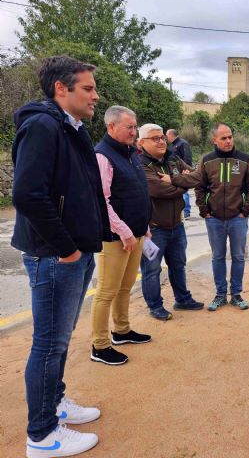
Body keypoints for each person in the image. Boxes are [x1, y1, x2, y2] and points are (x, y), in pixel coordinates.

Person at [12, 55, 109, 457]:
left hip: (74, 252)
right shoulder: (42, 126)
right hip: (56, 256)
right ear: (60, 88)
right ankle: (42, 435)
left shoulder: (69, 128)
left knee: (60, 340)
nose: (95, 96)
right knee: (49, 344)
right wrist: (67, 248)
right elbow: (28, 195)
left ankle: (55, 403)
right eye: (87, 88)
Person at [90, 106, 152, 366]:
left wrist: (143, 226)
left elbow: (136, 192)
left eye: (135, 127)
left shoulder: (131, 154)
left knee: (125, 287)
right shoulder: (103, 156)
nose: (133, 131)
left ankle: (122, 331)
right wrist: (125, 232)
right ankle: (100, 345)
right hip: (115, 237)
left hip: (136, 234)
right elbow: (102, 201)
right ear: (111, 127)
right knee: (106, 291)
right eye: (129, 127)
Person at [138, 123, 204, 320]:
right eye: (154, 138)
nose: (160, 141)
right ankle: (155, 306)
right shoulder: (140, 164)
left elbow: (197, 176)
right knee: (151, 270)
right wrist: (183, 186)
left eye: (162, 137)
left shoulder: (173, 160)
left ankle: (182, 299)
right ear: (141, 143)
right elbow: (157, 190)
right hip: (154, 229)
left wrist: (173, 180)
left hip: (177, 225)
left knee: (178, 264)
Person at [194, 123, 249, 311]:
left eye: (230, 136)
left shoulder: (245, 159)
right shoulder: (206, 160)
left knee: (238, 256)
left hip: (238, 218)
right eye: (223, 138)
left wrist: (245, 211)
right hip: (214, 219)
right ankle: (220, 294)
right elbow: (199, 186)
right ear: (214, 140)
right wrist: (204, 210)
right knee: (217, 257)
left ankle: (237, 294)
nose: (228, 140)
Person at [167, 129, 193, 219]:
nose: (166, 138)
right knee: (178, 191)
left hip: (182, 171)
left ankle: (186, 212)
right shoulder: (172, 145)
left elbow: (187, 157)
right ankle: (180, 212)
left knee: (184, 191)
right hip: (174, 171)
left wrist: (186, 170)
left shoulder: (182, 143)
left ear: (171, 135)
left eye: (167, 136)